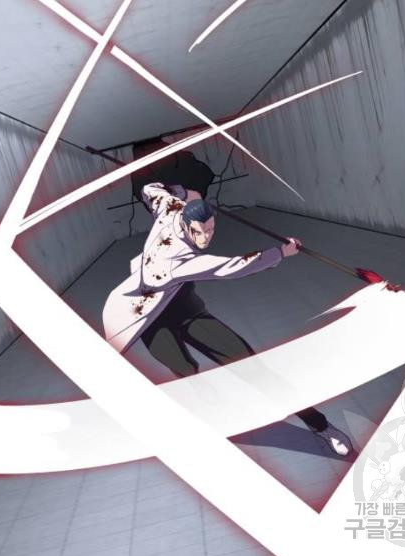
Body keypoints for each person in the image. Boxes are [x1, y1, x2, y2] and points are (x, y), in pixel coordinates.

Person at [103, 171, 352, 457]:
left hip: (185, 309)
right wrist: (280, 253)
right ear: (185, 225)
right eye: (199, 232)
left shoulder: (170, 205)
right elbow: (232, 267)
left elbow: (150, 188)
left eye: (210, 230)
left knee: (251, 366)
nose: (205, 238)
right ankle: (212, 412)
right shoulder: (175, 261)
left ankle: (320, 425)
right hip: (146, 318)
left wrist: (181, 191)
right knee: (187, 372)